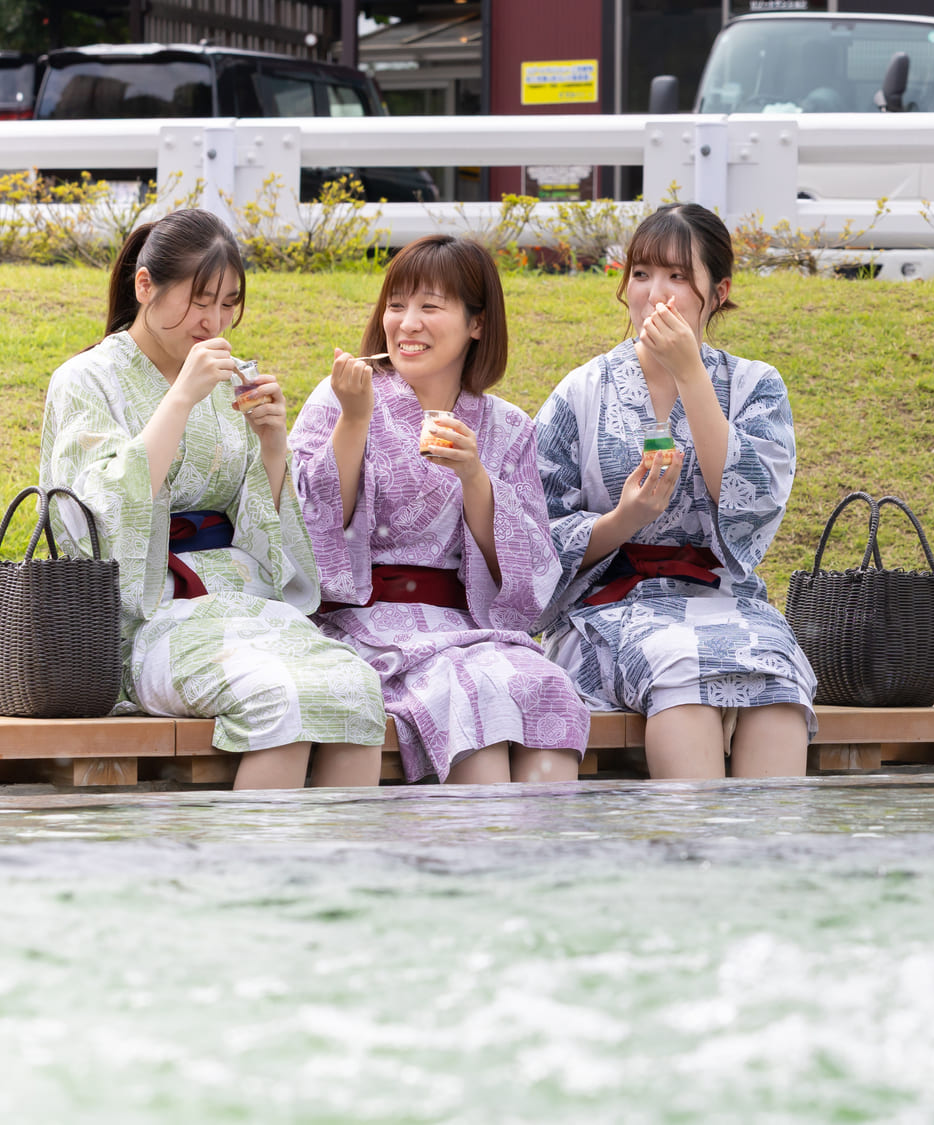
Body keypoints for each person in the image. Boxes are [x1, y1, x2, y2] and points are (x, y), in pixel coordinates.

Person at [39, 208, 385, 790]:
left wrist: (272, 441)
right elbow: (90, 515)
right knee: (280, 698)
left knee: (355, 691)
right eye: (201, 300)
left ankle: (336, 876)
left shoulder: (226, 381)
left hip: (240, 605)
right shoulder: (86, 379)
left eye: (229, 303)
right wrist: (178, 400)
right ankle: (248, 873)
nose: (215, 319)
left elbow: (262, 522)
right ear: (145, 286)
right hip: (145, 620)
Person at [291, 235, 589, 784]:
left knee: (543, 685)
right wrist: (355, 421)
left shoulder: (508, 427)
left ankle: (544, 856)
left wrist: (475, 476)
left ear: (477, 323)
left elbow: (533, 571)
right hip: (364, 623)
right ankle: (461, 857)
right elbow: (308, 531)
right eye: (397, 305)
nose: (407, 323)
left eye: (430, 306)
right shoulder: (339, 399)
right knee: (468, 691)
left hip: (468, 628)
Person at [535, 202, 815, 779]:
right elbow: (537, 532)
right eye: (641, 274)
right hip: (607, 609)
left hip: (726, 603)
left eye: (678, 276)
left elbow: (754, 501)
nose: (655, 293)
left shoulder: (755, 386)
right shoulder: (581, 392)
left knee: (777, 689)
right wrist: (621, 521)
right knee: (683, 675)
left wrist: (691, 375)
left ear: (718, 292)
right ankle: (691, 856)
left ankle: (780, 862)